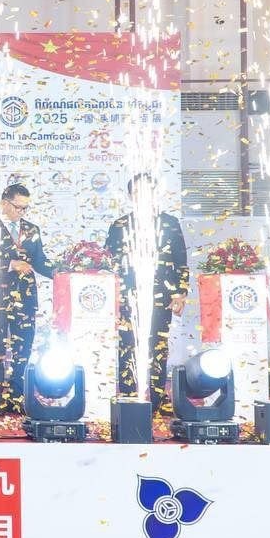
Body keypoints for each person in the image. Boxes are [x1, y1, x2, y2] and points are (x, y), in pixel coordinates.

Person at [105, 173, 189, 412]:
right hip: (128, 297)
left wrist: (180, 292)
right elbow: (108, 262)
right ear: (131, 196)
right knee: (128, 345)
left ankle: (157, 398)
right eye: (138, 192)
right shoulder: (119, 226)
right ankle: (129, 397)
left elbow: (181, 261)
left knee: (158, 346)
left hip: (161, 296)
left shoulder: (170, 223)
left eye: (148, 191)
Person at [0, 183, 55, 414]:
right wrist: (9, 264)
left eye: (25, 208)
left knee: (22, 348)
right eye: (18, 207)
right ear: (4, 203)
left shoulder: (32, 229)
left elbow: (40, 260)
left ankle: (17, 398)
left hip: (25, 297)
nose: (21, 212)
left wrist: (62, 272)